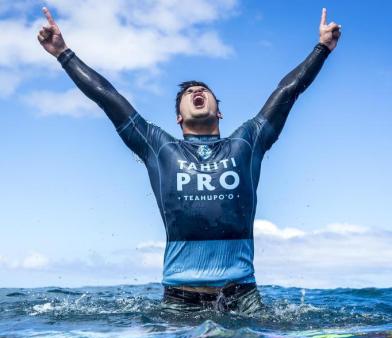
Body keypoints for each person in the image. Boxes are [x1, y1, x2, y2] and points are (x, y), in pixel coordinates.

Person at [37, 7, 341, 316]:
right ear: (179, 117)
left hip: (243, 299)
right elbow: (107, 96)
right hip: (179, 301)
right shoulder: (158, 146)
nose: (197, 90)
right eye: (189, 92)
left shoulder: (247, 141)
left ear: (218, 112)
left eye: (204, 90)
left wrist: (322, 49)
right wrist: (63, 53)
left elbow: (288, 91)